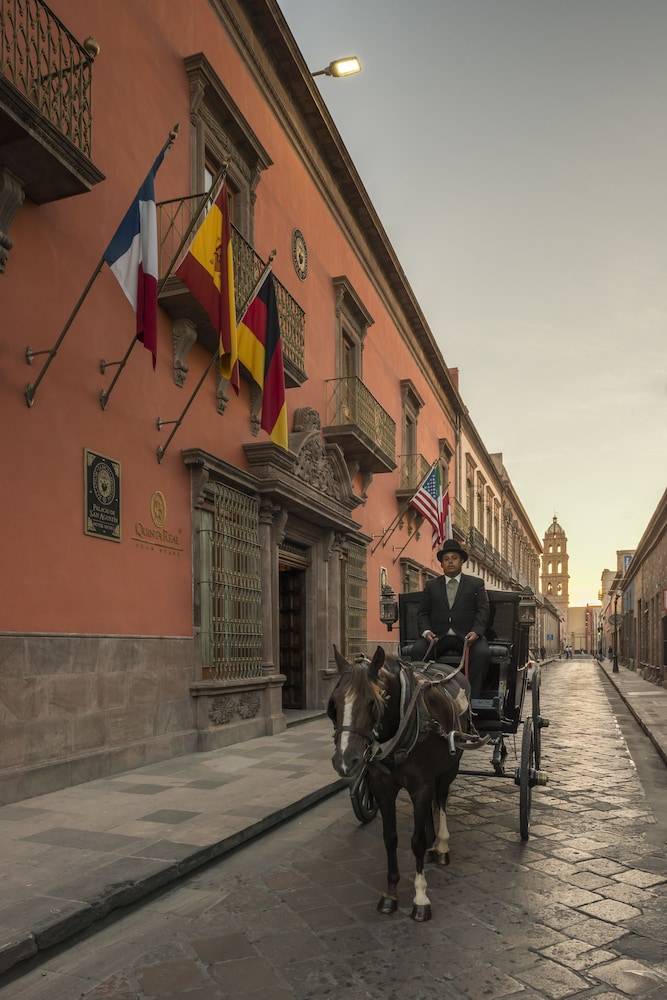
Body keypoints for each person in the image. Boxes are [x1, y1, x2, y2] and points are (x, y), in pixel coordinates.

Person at [409, 539, 491, 700]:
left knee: (482, 653)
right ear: (442, 564)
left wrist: (476, 632)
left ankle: (471, 698)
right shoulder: (431, 585)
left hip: (467, 637)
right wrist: (426, 631)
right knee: (417, 651)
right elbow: (422, 613)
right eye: (446, 559)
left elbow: (483, 610)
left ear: (461, 561)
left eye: (454, 558)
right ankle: (424, 696)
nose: (450, 562)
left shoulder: (476, 584)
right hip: (438, 637)